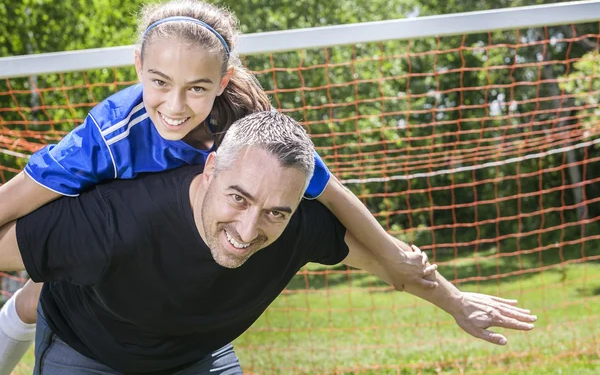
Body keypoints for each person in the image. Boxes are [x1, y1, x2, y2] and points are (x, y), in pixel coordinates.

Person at [0, 0, 437, 373]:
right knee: (37, 295)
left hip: (156, 259)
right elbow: (14, 200)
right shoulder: (108, 138)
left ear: (223, 80)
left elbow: (329, 190)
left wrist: (392, 254)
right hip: (99, 249)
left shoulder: (247, 126)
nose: (174, 106)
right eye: (159, 82)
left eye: (197, 88)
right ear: (138, 66)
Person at [0, 111, 536, 374]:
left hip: (194, 355)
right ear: (209, 171)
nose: (250, 228)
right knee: (38, 293)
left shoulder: (296, 225)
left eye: (275, 211)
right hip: (90, 350)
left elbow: (391, 264)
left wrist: (457, 302)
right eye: (238, 197)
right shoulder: (114, 221)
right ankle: (25, 308)